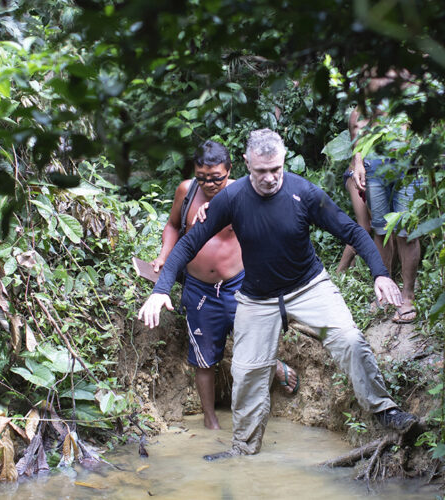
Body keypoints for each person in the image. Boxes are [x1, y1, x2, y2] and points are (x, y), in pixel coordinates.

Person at [139, 129, 418, 460]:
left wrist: (381, 274)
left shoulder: (304, 192)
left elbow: (352, 230)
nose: (270, 178)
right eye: (261, 171)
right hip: (257, 300)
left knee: (349, 339)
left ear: (283, 162)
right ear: (246, 164)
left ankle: (384, 410)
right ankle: (242, 451)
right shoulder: (232, 198)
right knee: (246, 374)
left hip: (309, 289)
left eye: (276, 170)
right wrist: (160, 290)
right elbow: (188, 242)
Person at [151, 140, 298, 430]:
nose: (209, 184)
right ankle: (210, 422)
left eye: (216, 178)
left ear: (229, 171)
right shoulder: (186, 191)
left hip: (239, 283)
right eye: (202, 177)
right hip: (199, 288)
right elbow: (172, 225)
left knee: (254, 341)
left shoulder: (244, 191)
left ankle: (275, 365)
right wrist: (163, 254)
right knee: (203, 358)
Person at [350, 68, 422, 324]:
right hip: (375, 165)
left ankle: (408, 296)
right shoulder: (369, 69)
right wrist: (358, 162)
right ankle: (385, 289)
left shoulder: (407, 69)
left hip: (407, 166)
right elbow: (359, 116)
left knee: (406, 232)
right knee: (381, 231)